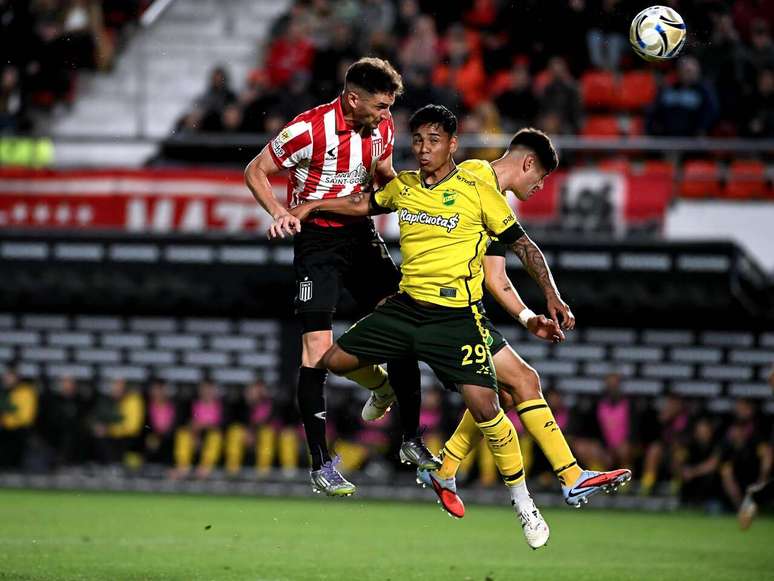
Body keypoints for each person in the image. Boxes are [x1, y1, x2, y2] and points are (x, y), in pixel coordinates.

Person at [276, 105, 557, 548]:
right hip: (406, 309)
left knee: (487, 408)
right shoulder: (403, 187)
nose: (423, 149)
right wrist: (311, 204)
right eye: (418, 140)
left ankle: (524, 504)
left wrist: (552, 298)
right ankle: (384, 389)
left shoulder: (476, 188)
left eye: (433, 140)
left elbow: (523, 246)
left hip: (456, 318)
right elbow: (358, 204)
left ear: (452, 144)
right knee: (330, 359)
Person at [245, 57, 433, 497]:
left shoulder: (381, 130)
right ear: (353, 99)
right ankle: (321, 464)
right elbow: (256, 169)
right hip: (315, 243)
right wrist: (279, 213)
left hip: (361, 235)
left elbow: (383, 178)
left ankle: (410, 439)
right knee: (316, 347)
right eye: (381, 106)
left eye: (390, 106)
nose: (388, 115)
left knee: (404, 325)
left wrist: (411, 189)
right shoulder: (308, 129)